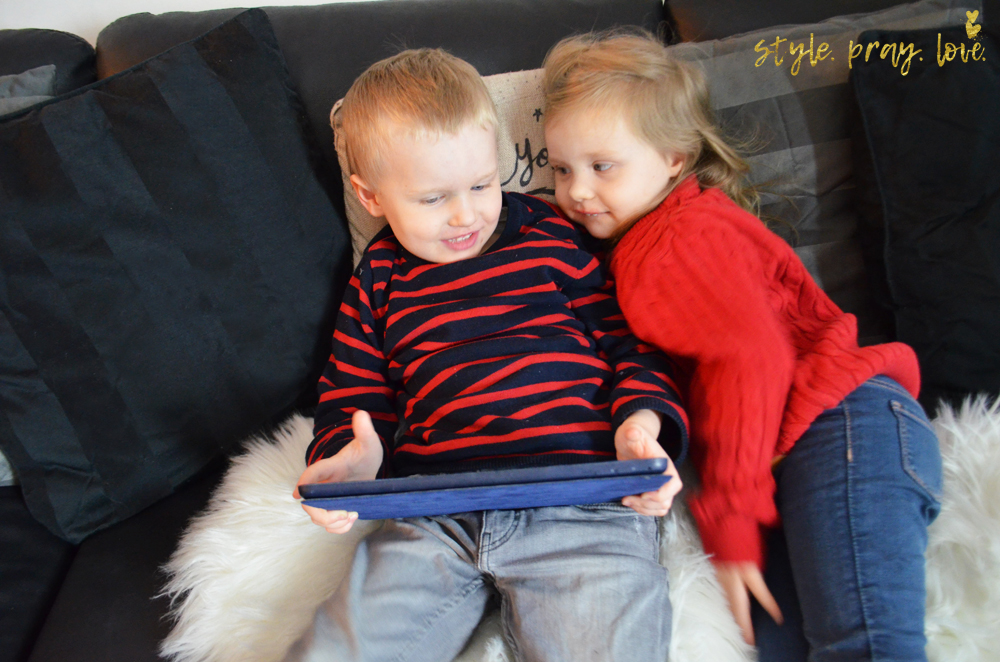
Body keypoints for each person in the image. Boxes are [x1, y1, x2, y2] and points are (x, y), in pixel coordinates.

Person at [541, 30, 944, 662]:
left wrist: (729, 516)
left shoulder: (677, 240)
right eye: (561, 170)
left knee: (866, 643)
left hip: (843, 421)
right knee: (774, 638)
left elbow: (749, 359)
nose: (577, 192)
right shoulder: (639, 243)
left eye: (602, 166)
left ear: (674, 158)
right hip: (787, 457)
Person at [287, 48, 689, 662]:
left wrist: (641, 423)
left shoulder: (551, 236)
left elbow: (629, 343)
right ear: (370, 197)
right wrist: (352, 458)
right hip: (434, 513)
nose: (465, 214)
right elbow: (351, 390)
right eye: (432, 199)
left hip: (581, 500)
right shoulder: (379, 278)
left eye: (481, 184)